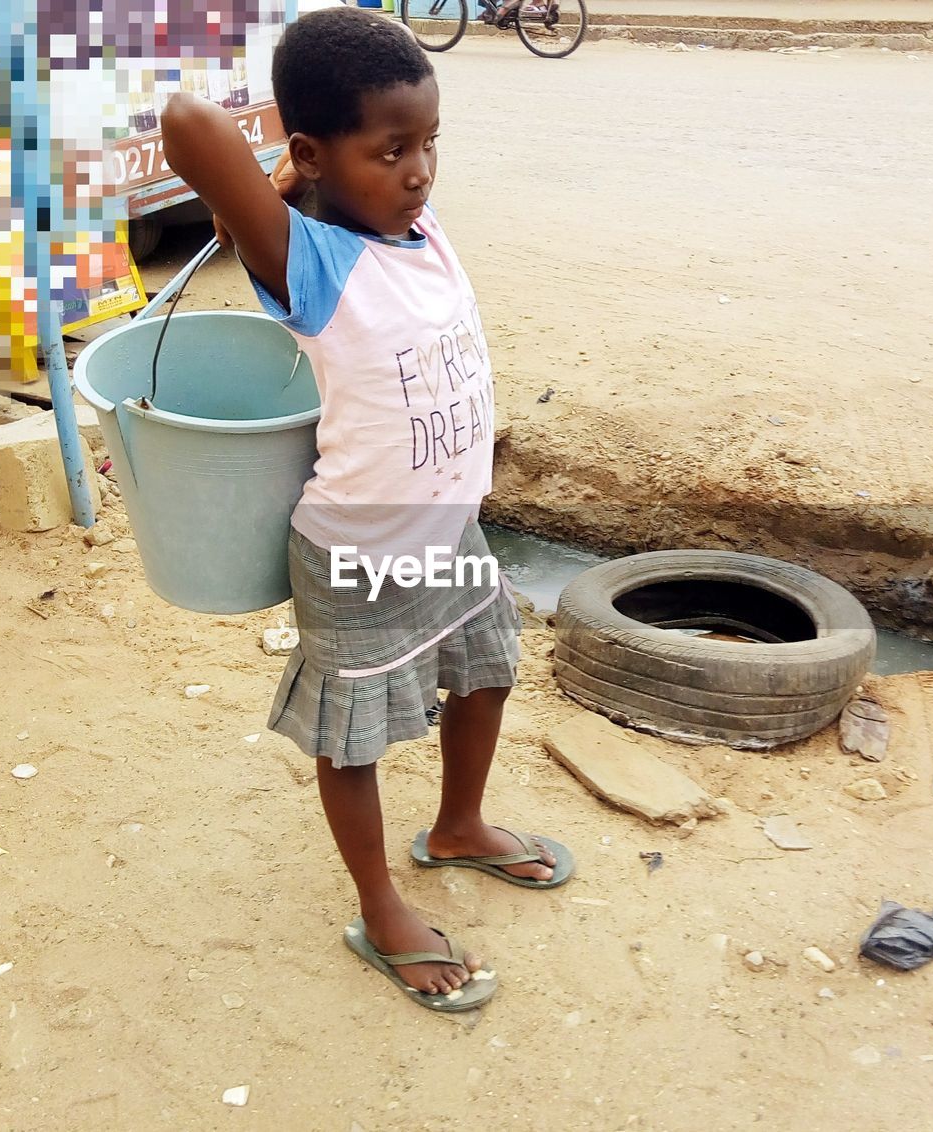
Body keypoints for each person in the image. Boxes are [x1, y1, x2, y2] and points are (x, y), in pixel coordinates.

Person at [160, 6, 574, 1014]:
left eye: (429, 144)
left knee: (486, 677)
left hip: (447, 533)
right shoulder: (308, 265)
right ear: (310, 152)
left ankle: (458, 826)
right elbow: (186, 123)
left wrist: (354, 172)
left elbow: (386, 184)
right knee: (352, 738)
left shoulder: (417, 229)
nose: (420, 170)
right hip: (359, 554)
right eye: (391, 150)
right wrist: (281, 185)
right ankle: (380, 904)